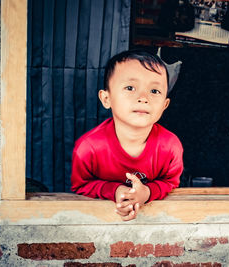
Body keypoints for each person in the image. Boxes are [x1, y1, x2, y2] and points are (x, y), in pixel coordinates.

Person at [71, 49, 184, 221]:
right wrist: (116, 191)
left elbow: (170, 182)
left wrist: (146, 193)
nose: (143, 98)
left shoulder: (170, 147)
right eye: (130, 88)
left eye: (154, 91)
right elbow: (81, 185)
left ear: (164, 105)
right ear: (106, 99)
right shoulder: (89, 148)